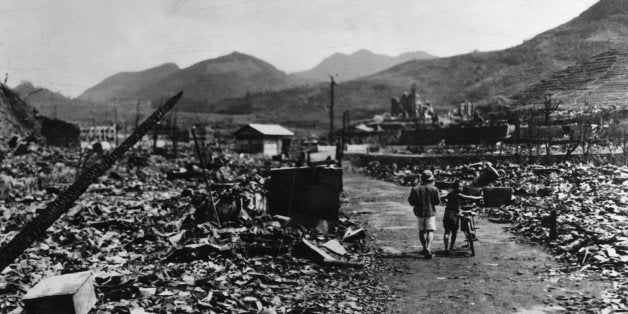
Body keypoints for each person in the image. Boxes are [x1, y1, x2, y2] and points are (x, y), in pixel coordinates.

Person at [441, 181, 482, 255]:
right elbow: (470, 197)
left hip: (447, 213)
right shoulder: (458, 195)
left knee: (447, 231)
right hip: (454, 214)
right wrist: (479, 197)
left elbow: (443, 198)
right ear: (455, 187)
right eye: (460, 186)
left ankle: (446, 248)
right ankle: (451, 247)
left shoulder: (450, 194)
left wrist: (448, 202)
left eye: (462, 186)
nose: (461, 188)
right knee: (454, 232)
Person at [408, 170, 440, 259]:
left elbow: (411, 201)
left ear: (422, 178)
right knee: (430, 230)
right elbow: (438, 202)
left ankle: (424, 247)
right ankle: (428, 247)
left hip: (419, 212)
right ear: (431, 179)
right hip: (430, 212)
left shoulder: (415, 189)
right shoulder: (434, 189)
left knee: (422, 231)